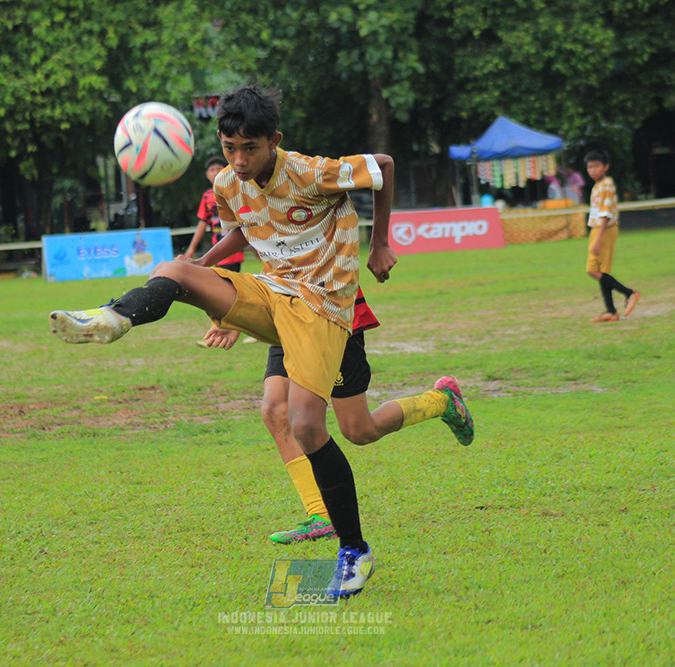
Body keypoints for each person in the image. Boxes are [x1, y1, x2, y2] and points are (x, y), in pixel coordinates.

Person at [49, 84, 446, 599]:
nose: (238, 160)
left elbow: (385, 165)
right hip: (272, 290)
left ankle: (354, 550)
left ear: (273, 141)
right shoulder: (227, 186)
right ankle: (113, 317)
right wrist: (203, 272)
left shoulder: (308, 170)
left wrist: (380, 242)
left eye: (250, 148)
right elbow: (243, 233)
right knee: (177, 268)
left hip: (324, 306)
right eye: (229, 147)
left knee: (318, 425)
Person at [199, 287, 474, 546]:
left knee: (359, 430)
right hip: (288, 318)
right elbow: (268, 260)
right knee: (274, 409)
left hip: (334, 314)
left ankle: (441, 401)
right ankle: (321, 515)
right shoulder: (256, 235)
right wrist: (235, 316)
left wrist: (378, 244)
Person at [185, 156, 255, 347]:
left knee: (225, 291)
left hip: (232, 250)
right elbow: (202, 223)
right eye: (212, 170)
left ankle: (229, 327)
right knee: (226, 290)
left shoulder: (234, 190)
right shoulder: (207, 196)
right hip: (218, 250)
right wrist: (192, 249)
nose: (215, 172)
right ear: (207, 175)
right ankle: (229, 327)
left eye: (219, 168)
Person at [584, 149, 640, 323]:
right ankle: (611, 311)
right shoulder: (598, 186)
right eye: (589, 167)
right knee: (601, 271)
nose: (592, 170)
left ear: (606, 167)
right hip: (598, 229)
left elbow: (606, 213)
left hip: (604, 229)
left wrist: (598, 239)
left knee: (592, 270)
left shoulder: (607, 184)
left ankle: (629, 293)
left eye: (596, 166)